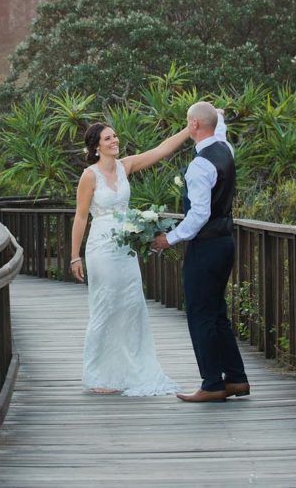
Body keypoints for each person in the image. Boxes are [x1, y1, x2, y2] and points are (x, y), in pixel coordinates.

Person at [69, 121, 189, 395]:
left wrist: (188, 128)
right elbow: (81, 215)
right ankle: (99, 375)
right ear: (96, 146)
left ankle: (128, 371)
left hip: (125, 247)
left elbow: (162, 150)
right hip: (101, 246)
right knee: (106, 305)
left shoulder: (126, 165)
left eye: (115, 136)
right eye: (108, 138)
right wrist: (74, 256)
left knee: (132, 304)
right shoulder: (90, 176)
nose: (114, 141)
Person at [150, 101, 249, 402]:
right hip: (226, 243)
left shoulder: (199, 166)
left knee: (200, 314)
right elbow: (219, 130)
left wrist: (171, 238)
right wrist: (216, 117)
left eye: (188, 122)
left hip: (205, 246)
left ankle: (212, 384)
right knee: (217, 312)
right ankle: (236, 378)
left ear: (193, 125)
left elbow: (198, 214)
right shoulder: (225, 150)